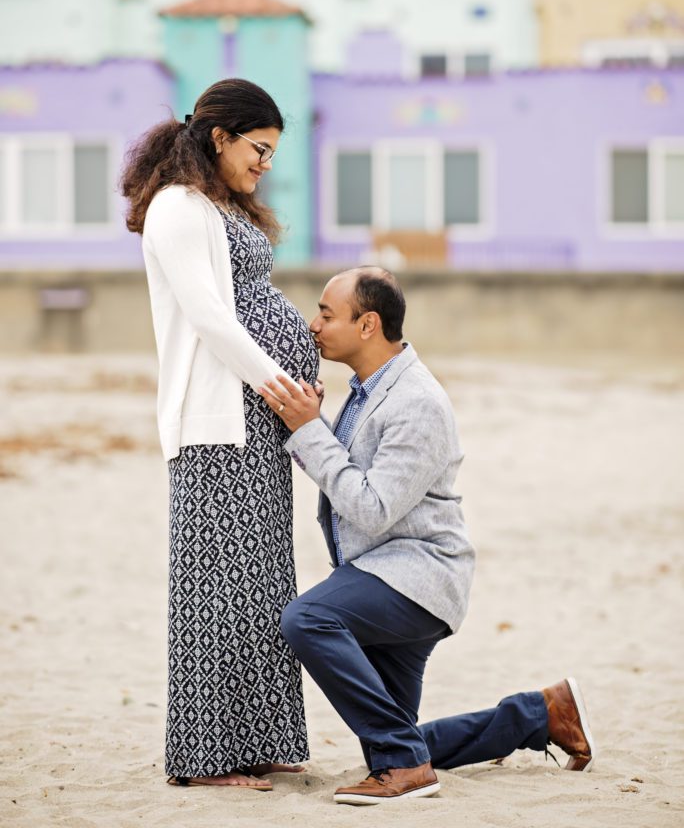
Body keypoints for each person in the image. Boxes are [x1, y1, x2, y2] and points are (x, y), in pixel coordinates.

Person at [259, 267, 595, 805]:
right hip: (386, 571)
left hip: (417, 577)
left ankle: (406, 766)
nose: (313, 325)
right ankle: (540, 714)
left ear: (367, 324)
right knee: (395, 746)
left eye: (326, 313)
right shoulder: (371, 388)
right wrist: (313, 427)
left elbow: (372, 507)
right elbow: (348, 476)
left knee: (308, 619)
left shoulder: (416, 401)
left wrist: (308, 431)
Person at [120, 78, 319, 791]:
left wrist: (282, 392)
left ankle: (256, 741)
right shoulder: (177, 207)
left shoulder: (215, 205)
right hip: (215, 424)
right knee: (215, 591)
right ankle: (204, 758)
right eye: (259, 149)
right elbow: (210, 317)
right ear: (219, 137)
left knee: (263, 589)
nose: (266, 164)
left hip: (254, 426)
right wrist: (281, 384)